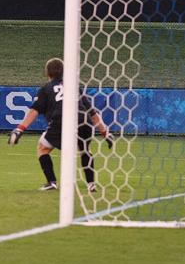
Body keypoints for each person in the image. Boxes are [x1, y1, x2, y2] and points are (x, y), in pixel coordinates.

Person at [8, 57, 112, 192]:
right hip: (84, 121)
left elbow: (34, 111)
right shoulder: (74, 87)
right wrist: (105, 132)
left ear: (47, 73)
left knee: (42, 148)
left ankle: (51, 182)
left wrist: (20, 129)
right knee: (85, 150)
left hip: (62, 121)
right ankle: (91, 184)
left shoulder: (46, 88)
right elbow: (92, 113)